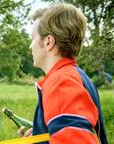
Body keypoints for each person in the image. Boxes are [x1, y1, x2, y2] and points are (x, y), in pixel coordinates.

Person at [18, 3, 108, 143]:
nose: (30, 46)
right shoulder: (79, 76)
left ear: (48, 42)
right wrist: (43, 137)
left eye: (32, 38)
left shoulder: (61, 81)